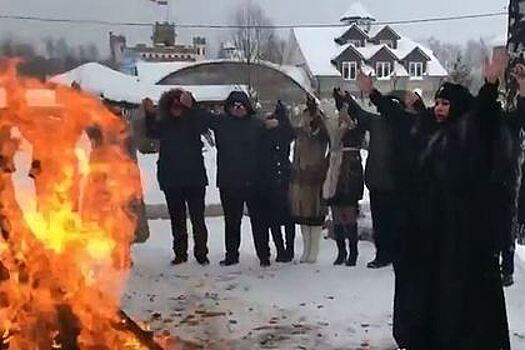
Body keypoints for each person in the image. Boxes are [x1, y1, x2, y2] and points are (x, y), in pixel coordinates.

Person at [358, 52, 513, 350]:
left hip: (460, 227)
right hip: (426, 226)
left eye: (446, 103)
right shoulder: (424, 127)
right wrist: (374, 94)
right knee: (424, 288)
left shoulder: (469, 131)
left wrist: (491, 84)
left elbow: (484, 113)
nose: (440, 108)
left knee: (458, 291)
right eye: (438, 103)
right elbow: (396, 117)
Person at [143, 90, 210, 266]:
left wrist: (192, 106)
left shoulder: (193, 121)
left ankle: (201, 253)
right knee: (177, 220)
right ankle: (180, 253)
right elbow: (151, 132)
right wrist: (150, 114)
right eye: (173, 106)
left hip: (194, 179)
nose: (177, 110)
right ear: (167, 107)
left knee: (198, 219)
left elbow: (204, 124)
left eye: (180, 106)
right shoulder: (165, 124)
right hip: (172, 180)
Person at [323, 91, 365, 266]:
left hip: (350, 169)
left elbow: (358, 120)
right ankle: (341, 251)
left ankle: (353, 252)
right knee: (337, 212)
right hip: (335, 169)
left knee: (348, 212)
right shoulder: (335, 129)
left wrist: (347, 100)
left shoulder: (356, 129)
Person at [290, 95, 329, 264]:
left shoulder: (320, 132)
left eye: (308, 116)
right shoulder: (300, 134)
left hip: (316, 176)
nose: (305, 120)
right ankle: (306, 249)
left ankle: (314, 250)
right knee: (303, 215)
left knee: (315, 215)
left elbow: (327, 132)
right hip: (300, 177)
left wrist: (317, 116)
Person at [258, 101, 296, 263]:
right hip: (271, 176)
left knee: (286, 217)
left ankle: (288, 248)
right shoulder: (264, 132)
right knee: (274, 217)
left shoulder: (284, 129)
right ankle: (281, 248)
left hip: (283, 175)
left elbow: (290, 133)